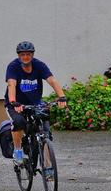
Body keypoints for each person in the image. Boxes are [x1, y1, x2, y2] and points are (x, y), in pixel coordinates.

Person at [5, 41, 67, 173]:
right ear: (19, 56)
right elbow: (11, 84)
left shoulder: (39, 65)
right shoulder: (13, 66)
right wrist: (13, 102)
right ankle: (18, 151)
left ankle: (48, 167)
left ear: (32, 55)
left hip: (35, 103)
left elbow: (52, 80)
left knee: (45, 132)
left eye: (28, 54)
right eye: (22, 55)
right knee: (18, 122)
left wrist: (61, 96)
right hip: (16, 104)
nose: (25, 57)